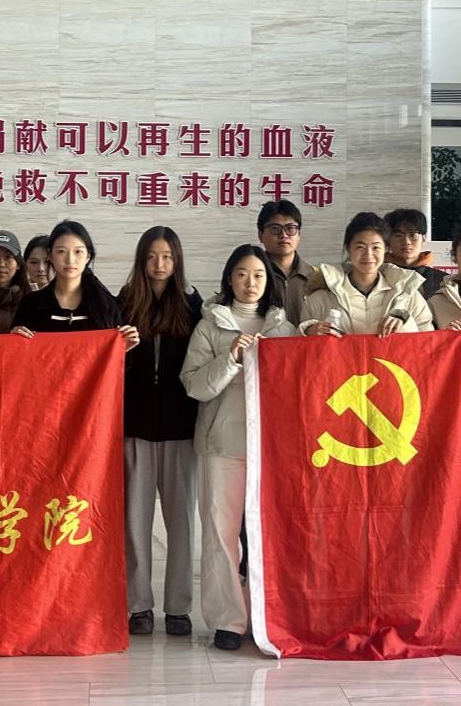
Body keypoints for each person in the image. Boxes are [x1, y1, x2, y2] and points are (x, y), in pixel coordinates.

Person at [181, 244, 295, 652]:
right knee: (221, 535)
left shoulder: (283, 328)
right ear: (229, 279)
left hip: (271, 448)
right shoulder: (210, 326)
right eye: (242, 274)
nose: (251, 283)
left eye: (259, 275)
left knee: (269, 535)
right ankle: (228, 620)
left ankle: (265, 614)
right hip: (222, 445)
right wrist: (231, 357)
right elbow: (194, 385)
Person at [117, 227, 202, 638]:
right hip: (134, 426)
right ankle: (138, 606)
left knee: (181, 522)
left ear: (177, 260)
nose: (159, 264)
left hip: (180, 427)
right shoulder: (122, 303)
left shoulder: (193, 305)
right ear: (141, 259)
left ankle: (179, 608)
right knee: (135, 523)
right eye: (151, 256)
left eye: (167, 256)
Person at [300, 212, 433, 337]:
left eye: (376, 247)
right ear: (348, 248)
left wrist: (404, 325)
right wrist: (308, 332)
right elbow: (299, 347)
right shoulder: (320, 299)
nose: (368, 254)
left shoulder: (407, 294)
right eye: (360, 247)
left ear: (386, 249)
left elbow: (429, 342)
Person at [10, 220, 138, 349]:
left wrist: (123, 347)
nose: (70, 260)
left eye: (78, 252)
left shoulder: (106, 304)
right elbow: (19, 356)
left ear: (88, 257)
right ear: (50, 256)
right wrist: (13, 339)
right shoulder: (31, 304)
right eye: (61, 251)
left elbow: (112, 357)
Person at [255, 201, 312, 326]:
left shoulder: (314, 277)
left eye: (290, 228)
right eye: (275, 228)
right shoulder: (251, 276)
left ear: (299, 234)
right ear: (260, 235)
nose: (284, 235)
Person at [384, 208, 447, 298]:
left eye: (413, 235)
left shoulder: (443, 280)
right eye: (399, 235)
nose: (407, 242)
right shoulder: (377, 275)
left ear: (423, 239)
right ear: (388, 240)